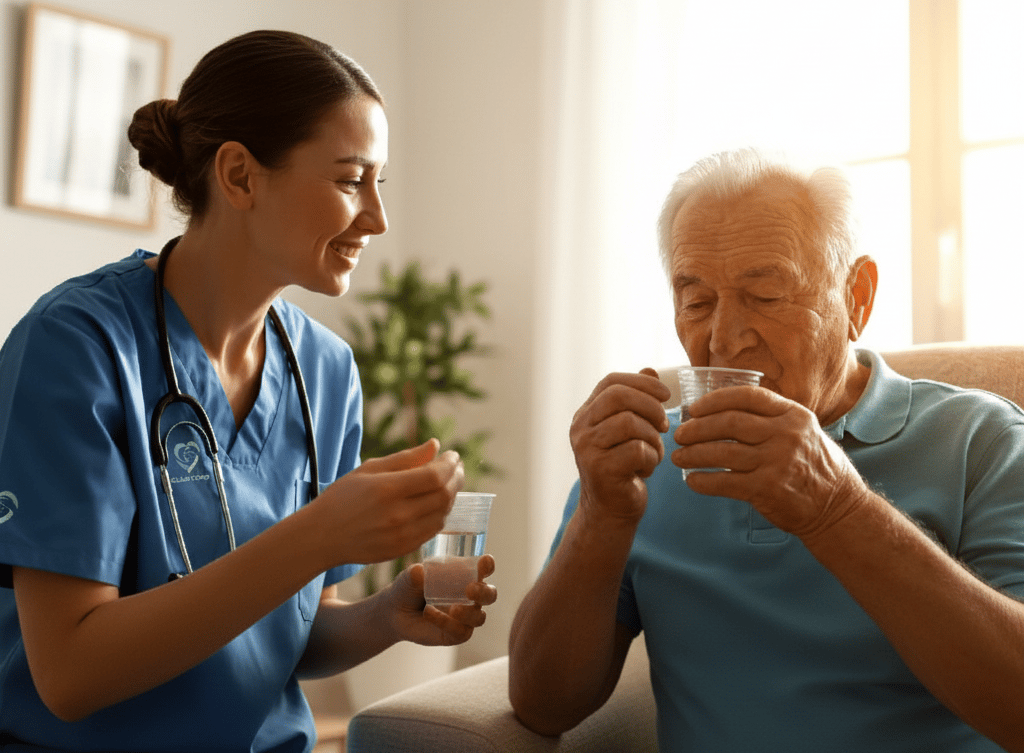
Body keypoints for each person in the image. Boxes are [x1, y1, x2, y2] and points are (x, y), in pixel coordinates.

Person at [0, 30, 496, 752]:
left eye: (378, 183)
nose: (377, 218)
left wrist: (387, 613)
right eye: (350, 178)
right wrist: (319, 533)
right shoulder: (77, 345)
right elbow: (70, 673)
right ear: (238, 175)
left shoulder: (324, 371)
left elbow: (286, 635)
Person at [508, 148, 1024, 752]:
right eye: (697, 301)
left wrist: (837, 509)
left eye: (766, 295)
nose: (724, 338)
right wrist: (601, 516)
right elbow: (543, 705)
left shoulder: (980, 440)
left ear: (857, 297)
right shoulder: (643, 462)